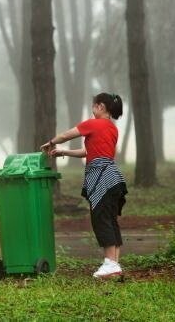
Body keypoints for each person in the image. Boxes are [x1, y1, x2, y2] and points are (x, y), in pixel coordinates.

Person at [40, 93, 128, 279]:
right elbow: (88, 152)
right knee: (110, 220)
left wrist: (50, 143)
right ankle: (114, 265)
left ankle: (110, 264)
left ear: (101, 106)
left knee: (101, 219)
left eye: (94, 106)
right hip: (114, 178)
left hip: (102, 177)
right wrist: (64, 152)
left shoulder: (93, 123)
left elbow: (65, 135)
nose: (92, 109)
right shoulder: (112, 128)